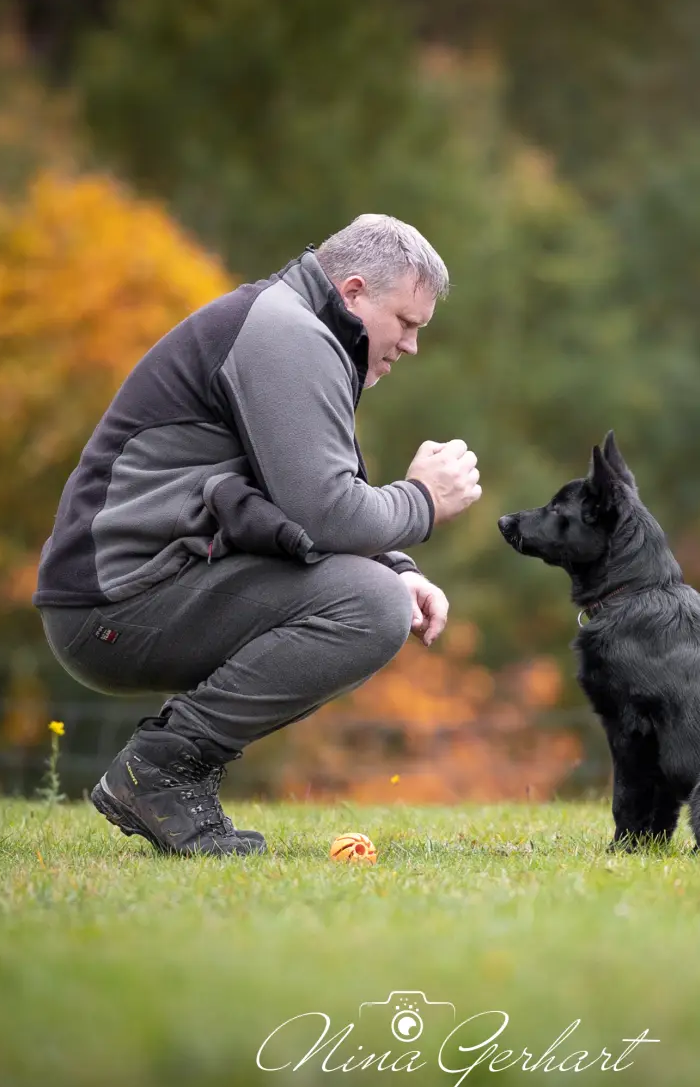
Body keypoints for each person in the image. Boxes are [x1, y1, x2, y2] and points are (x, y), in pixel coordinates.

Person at [33, 215, 481, 856]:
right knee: (370, 607)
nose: (411, 346)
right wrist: (424, 501)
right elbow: (328, 514)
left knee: (380, 591)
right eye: (407, 324)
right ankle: (161, 770)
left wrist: (398, 564)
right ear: (353, 293)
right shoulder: (288, 337)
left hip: (130, 590)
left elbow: (299, 495)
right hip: (114, 603)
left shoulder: (292, 326)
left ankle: (168, 771)